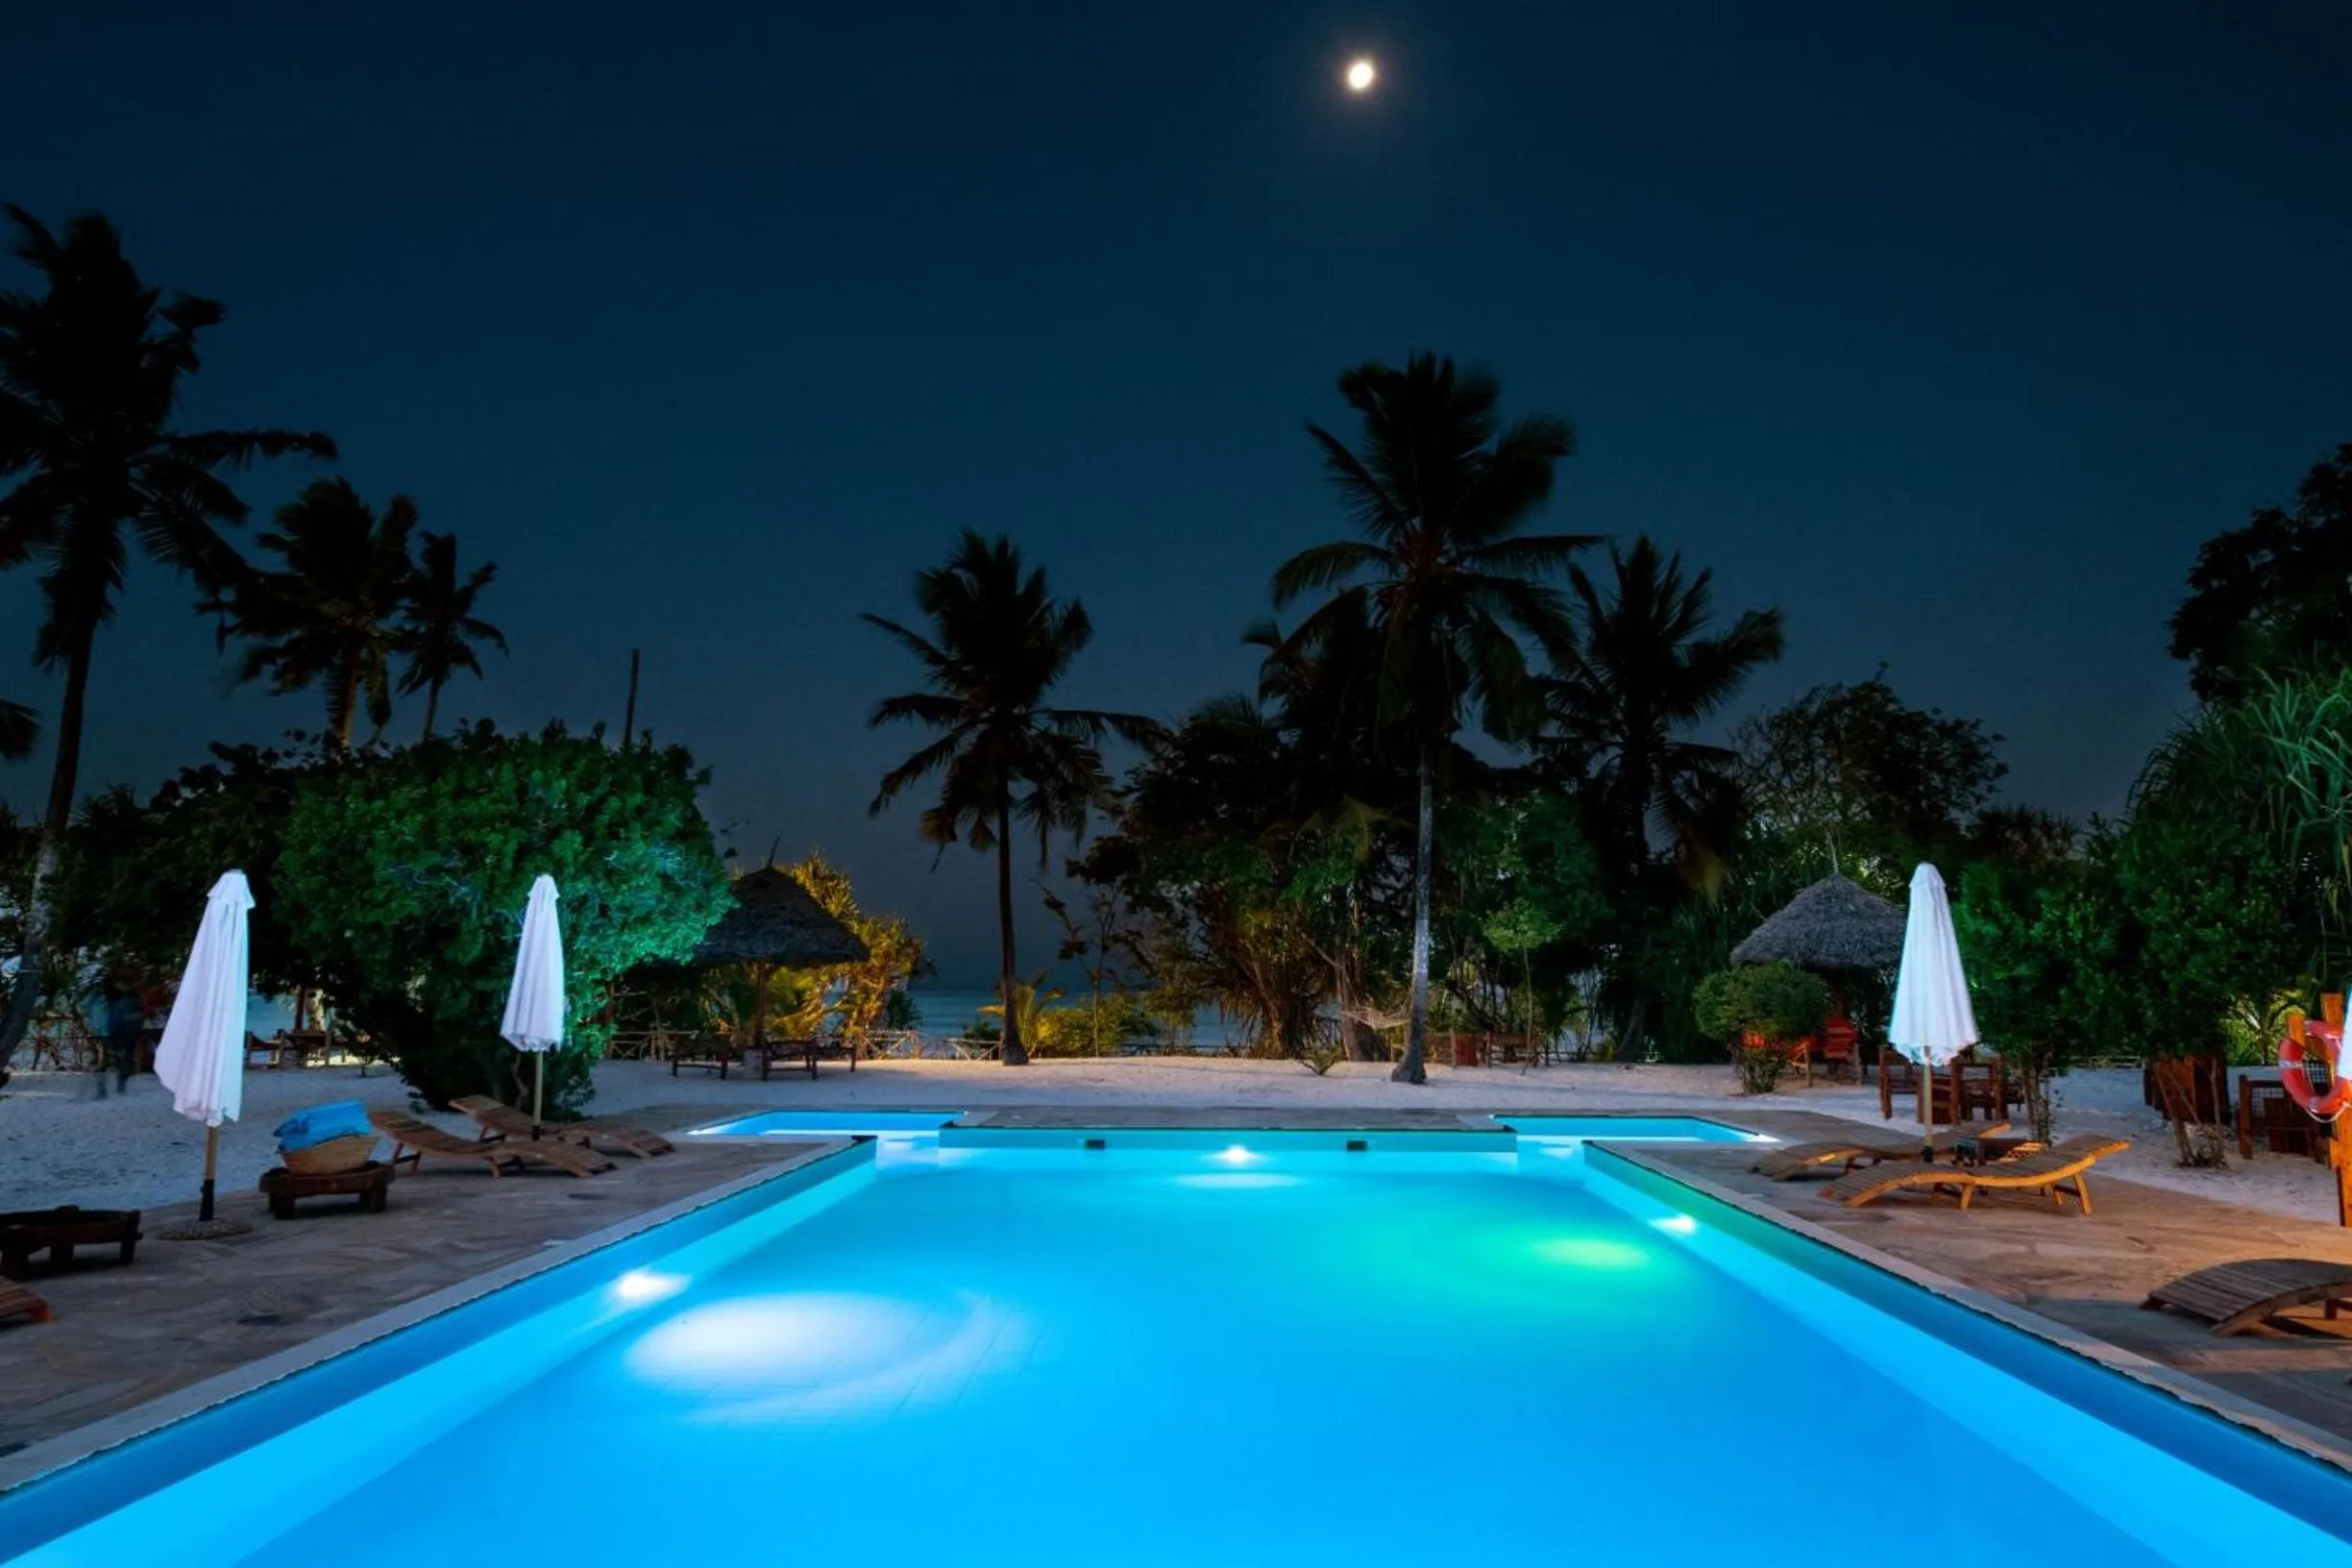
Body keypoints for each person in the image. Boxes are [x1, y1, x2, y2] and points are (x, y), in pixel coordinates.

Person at [99, 979, 143, 1096]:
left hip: (117, 1034)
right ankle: (120, 1086)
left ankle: (103, 1090)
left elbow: (114, 1022)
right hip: (130, 1034)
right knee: (124, 1060)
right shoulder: (135, 1002)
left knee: (107, 1062)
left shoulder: (118, 1004)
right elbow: (139, 1019)